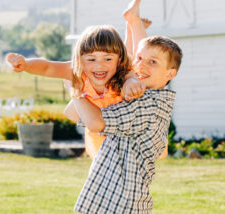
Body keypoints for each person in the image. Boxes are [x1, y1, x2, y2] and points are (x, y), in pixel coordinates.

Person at [70, 35, 183, 213]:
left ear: (170, 74)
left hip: (119, 203)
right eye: (138, 59)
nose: (141, 66)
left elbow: (95, 122)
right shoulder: (141, 97)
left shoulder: (146, 104)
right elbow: (73, 113)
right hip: (119, 200)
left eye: (153, 62)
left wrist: (75, 87)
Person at [7, 25, 147, 159]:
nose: (99, 65)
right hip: (98, 143)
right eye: (91, 59)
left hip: (124, 142)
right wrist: (26, 65)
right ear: (79, 59)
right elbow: (47, 67)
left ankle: (132, 25)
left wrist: (132, 85)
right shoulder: (77, 72)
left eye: (108, 59)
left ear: (119, 59)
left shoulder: (122, 74)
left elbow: (132, 77)